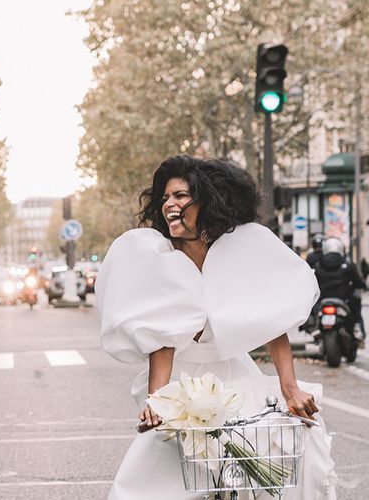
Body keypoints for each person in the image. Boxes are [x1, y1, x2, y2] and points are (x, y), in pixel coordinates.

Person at [96, 155, 336, 499]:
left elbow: (270, 321)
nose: (169, 204)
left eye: (180, 196)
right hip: (181, 382)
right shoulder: (158, 256)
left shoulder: (239, 248)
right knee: (155, 483)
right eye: (165, 198)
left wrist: (291, 388)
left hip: (235, 375)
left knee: (270, 467)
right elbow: (161, 339)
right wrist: (157, 401)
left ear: (207, 200)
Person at [312, 237, 365, 340]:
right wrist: (361, 285)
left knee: (313, 303)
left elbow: (314, 282)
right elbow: (358, 282)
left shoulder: (318, 266)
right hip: (343, 298)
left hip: (323, 298)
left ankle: (314, 327)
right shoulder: (348, 265)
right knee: (356, 301)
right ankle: (357, 327)